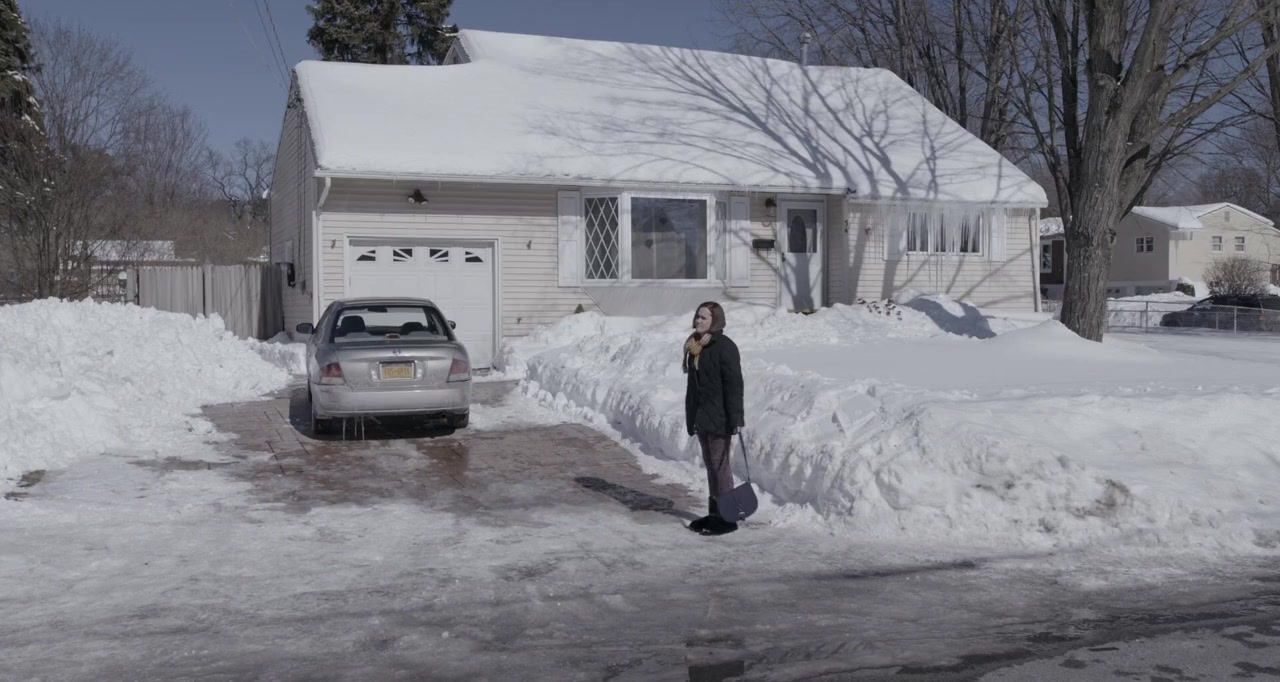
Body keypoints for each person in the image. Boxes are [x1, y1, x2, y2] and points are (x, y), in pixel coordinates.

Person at [683, 301, 745, 536]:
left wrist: (735, 417)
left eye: (704, 318)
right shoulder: (695, 346)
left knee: (720, 467)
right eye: (697, 316)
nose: (698, 321)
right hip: (702, 416)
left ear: (715, 320)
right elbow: (694, 387)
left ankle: (728, 518)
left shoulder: (724, 347)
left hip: (720, 417)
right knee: (711, 466)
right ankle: (715, 513)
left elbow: (734, 385)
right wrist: (691, 415)